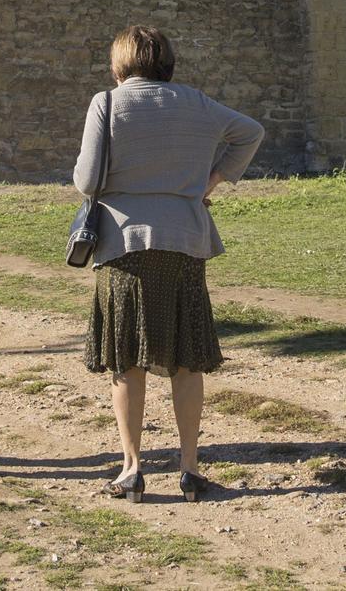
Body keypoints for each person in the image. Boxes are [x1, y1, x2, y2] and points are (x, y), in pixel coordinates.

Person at [75, 25, 263, 503]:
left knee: (127, 361)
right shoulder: (198, 103)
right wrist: (213, 179)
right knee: (185, 359)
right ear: (169, 62)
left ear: (119, 66)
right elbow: (251, 132)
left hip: (123, 245)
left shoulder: (108, 103)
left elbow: (87, 180)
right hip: (185, 241)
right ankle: (190, 467)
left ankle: (132, 467)